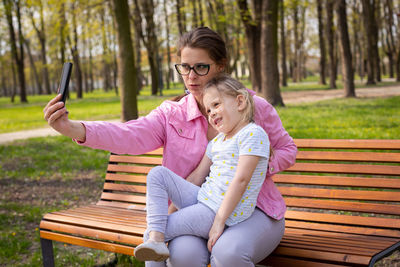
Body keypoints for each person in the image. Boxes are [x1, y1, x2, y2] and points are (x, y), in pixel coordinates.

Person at [43, 27, 297, 267]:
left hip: (254, 210)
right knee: (183, 256)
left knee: (228, 253)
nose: (191, 76)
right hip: (197, 209)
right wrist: (74, 129)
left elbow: (287, 149)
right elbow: (129, 134)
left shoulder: (253, 106)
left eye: (201, 67)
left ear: (221, 66)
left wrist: (252, 166)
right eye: (185, 68)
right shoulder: (171, 114)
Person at [134, 74, 271, 262]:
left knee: (152, 232)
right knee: (157, 175)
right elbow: (197, 176)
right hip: (203, 201)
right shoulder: (218, 141)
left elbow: (241, 180)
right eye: (208, 110)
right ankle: (156, 240)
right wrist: (172, 209)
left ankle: (156, 240)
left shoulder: (253, 134)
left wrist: (219, 221)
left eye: (216, 105)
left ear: (240, 102)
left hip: (218, 211)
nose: (212, 112)